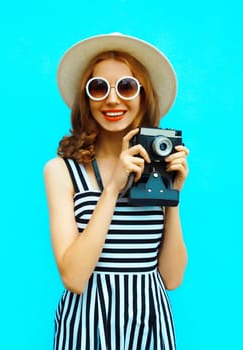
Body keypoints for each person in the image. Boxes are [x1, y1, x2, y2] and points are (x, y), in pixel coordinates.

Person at [44, 32, 190, 349]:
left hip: (149, 326)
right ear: (86, 98)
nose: (112, 99)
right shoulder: (61, 171)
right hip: (87, 327)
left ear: (143, 96)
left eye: (126, 86)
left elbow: (172, 278)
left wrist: (173, 198)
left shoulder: (157, 168)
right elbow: (74, 277)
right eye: (99, 88)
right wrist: (112, 188)